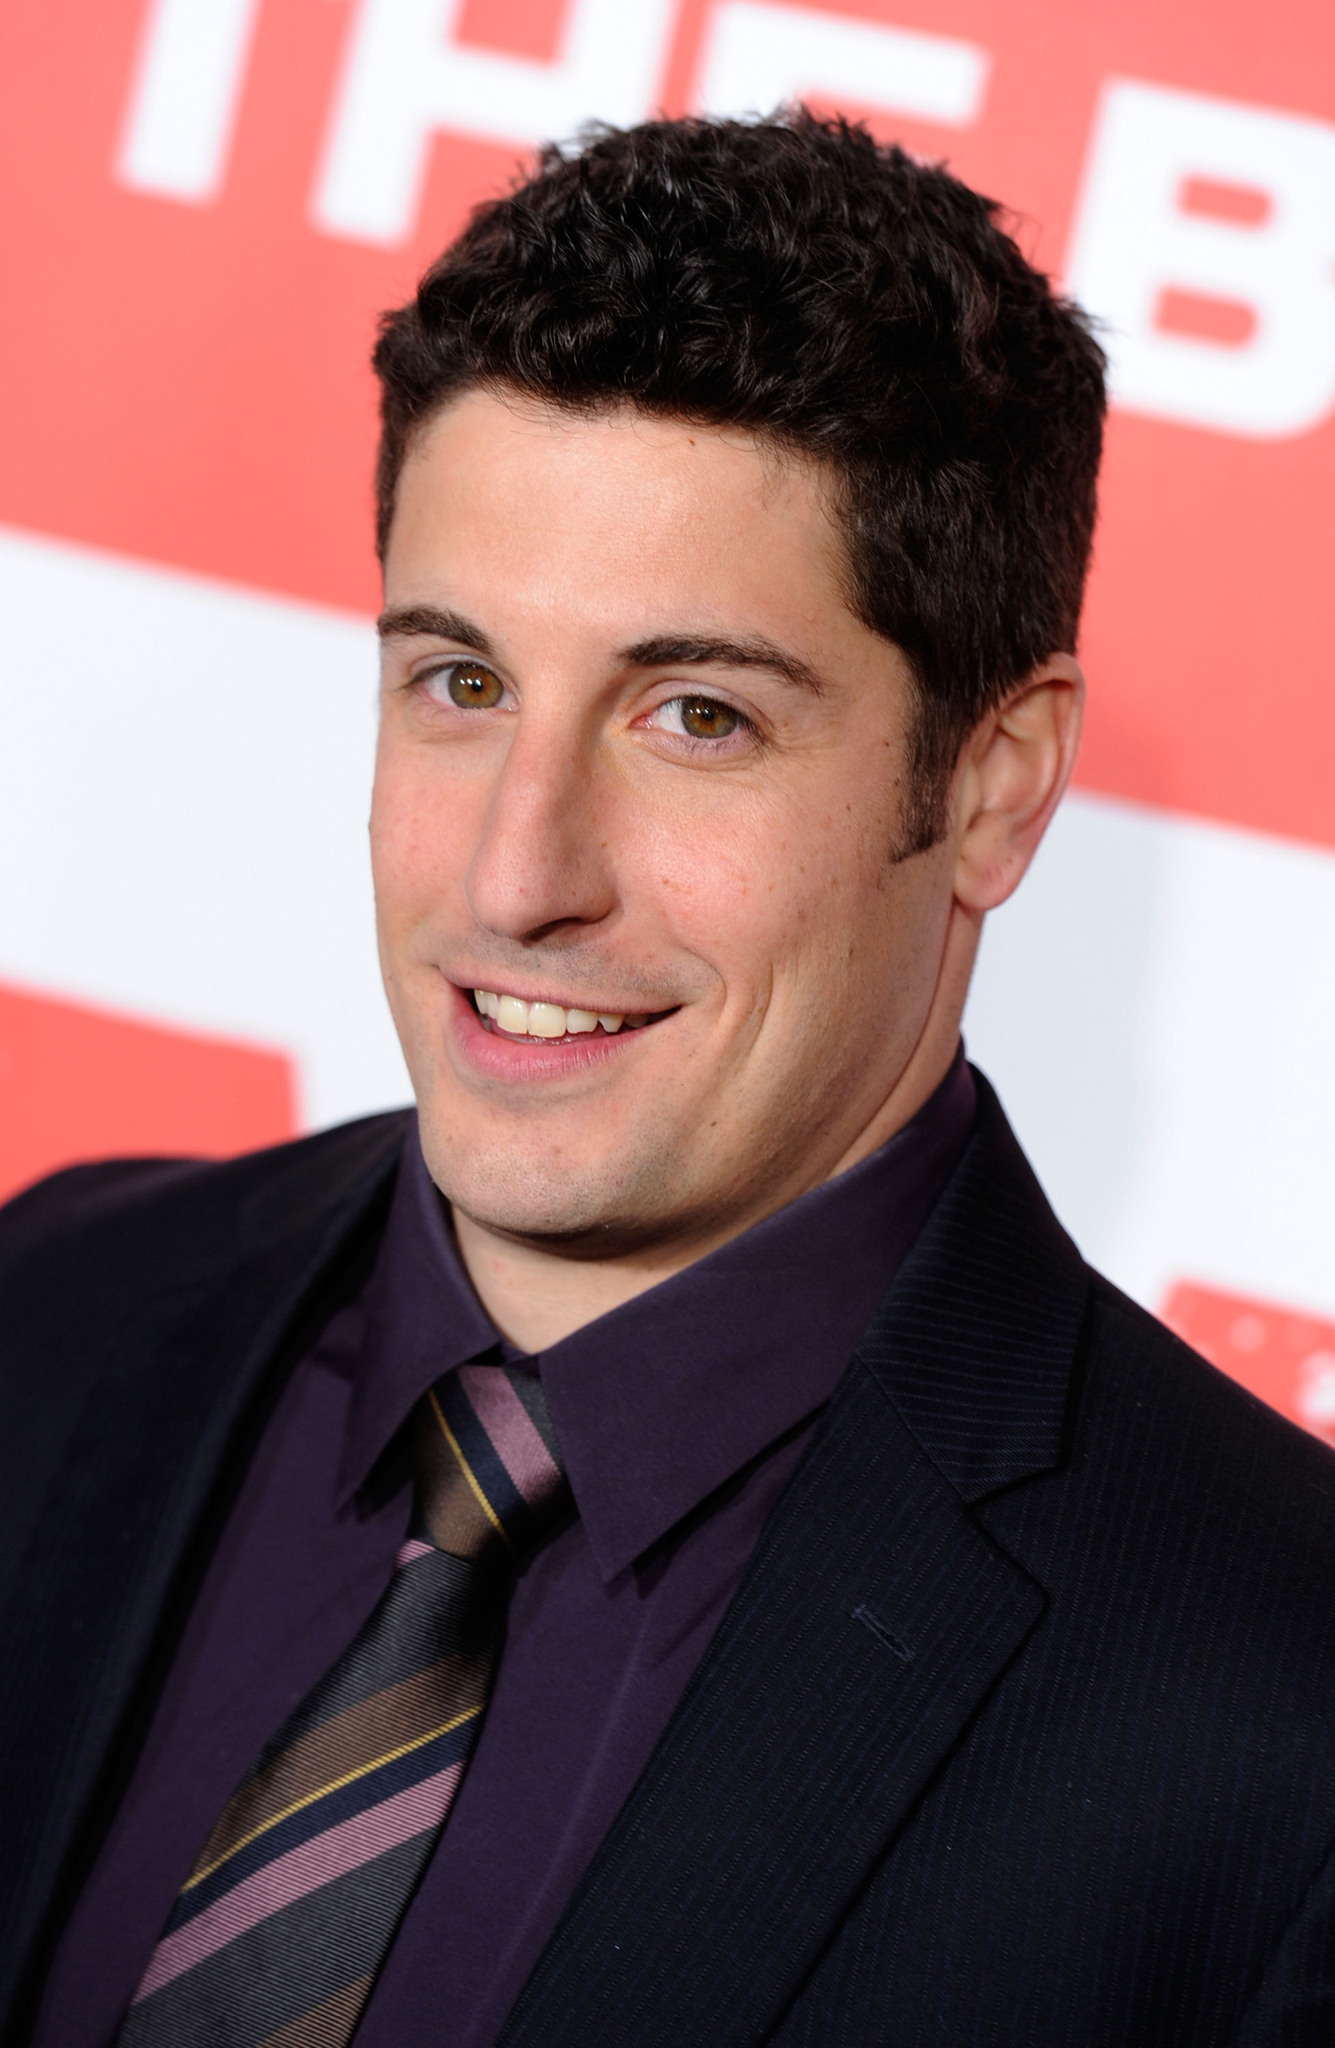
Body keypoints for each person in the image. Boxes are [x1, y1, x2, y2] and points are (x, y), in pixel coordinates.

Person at [2, 111, 1333, 2048]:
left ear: (991, 788)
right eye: (462, 682)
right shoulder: (61, 1301)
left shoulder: (1278, 1719)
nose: (515, 875)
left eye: (694, 715)